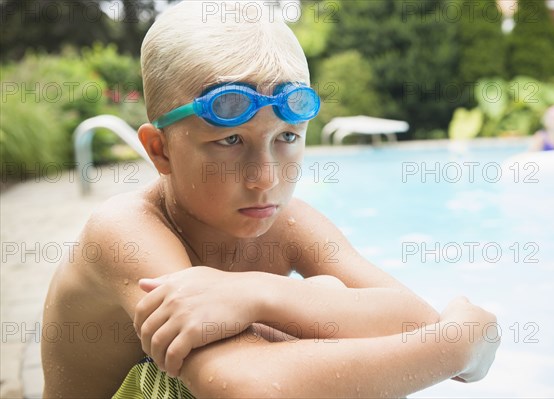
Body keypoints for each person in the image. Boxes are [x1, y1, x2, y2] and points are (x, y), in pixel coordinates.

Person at [41, 1, 500, 397]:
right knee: (318, 313)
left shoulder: (287, 222)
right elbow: (249, 388)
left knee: (324, 309)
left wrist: (260, 294)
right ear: (160, 150)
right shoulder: (125, 231)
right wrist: (460, 348)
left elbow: (413, 320)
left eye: (286, 137)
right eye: (229, 142)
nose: (265, 178)